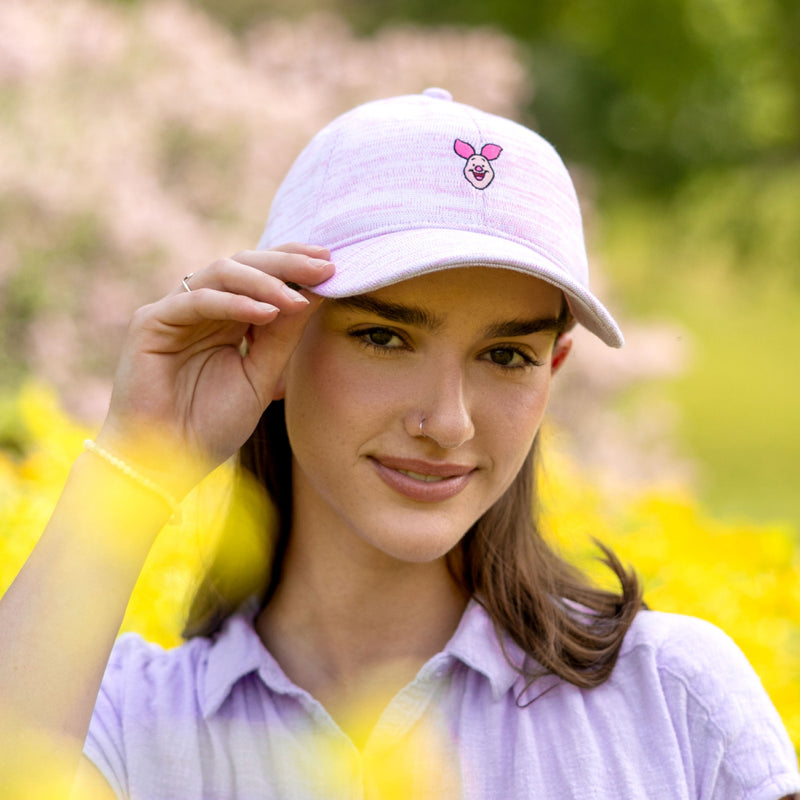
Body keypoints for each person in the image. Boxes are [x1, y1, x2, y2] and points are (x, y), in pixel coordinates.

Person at [1, 88, 798, 800]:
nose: (447, 422)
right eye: (385, 337)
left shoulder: (676, 704)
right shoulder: (122, 726)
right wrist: (141, 457)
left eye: (505, 356)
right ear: (272, 335)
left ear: (553, 368)